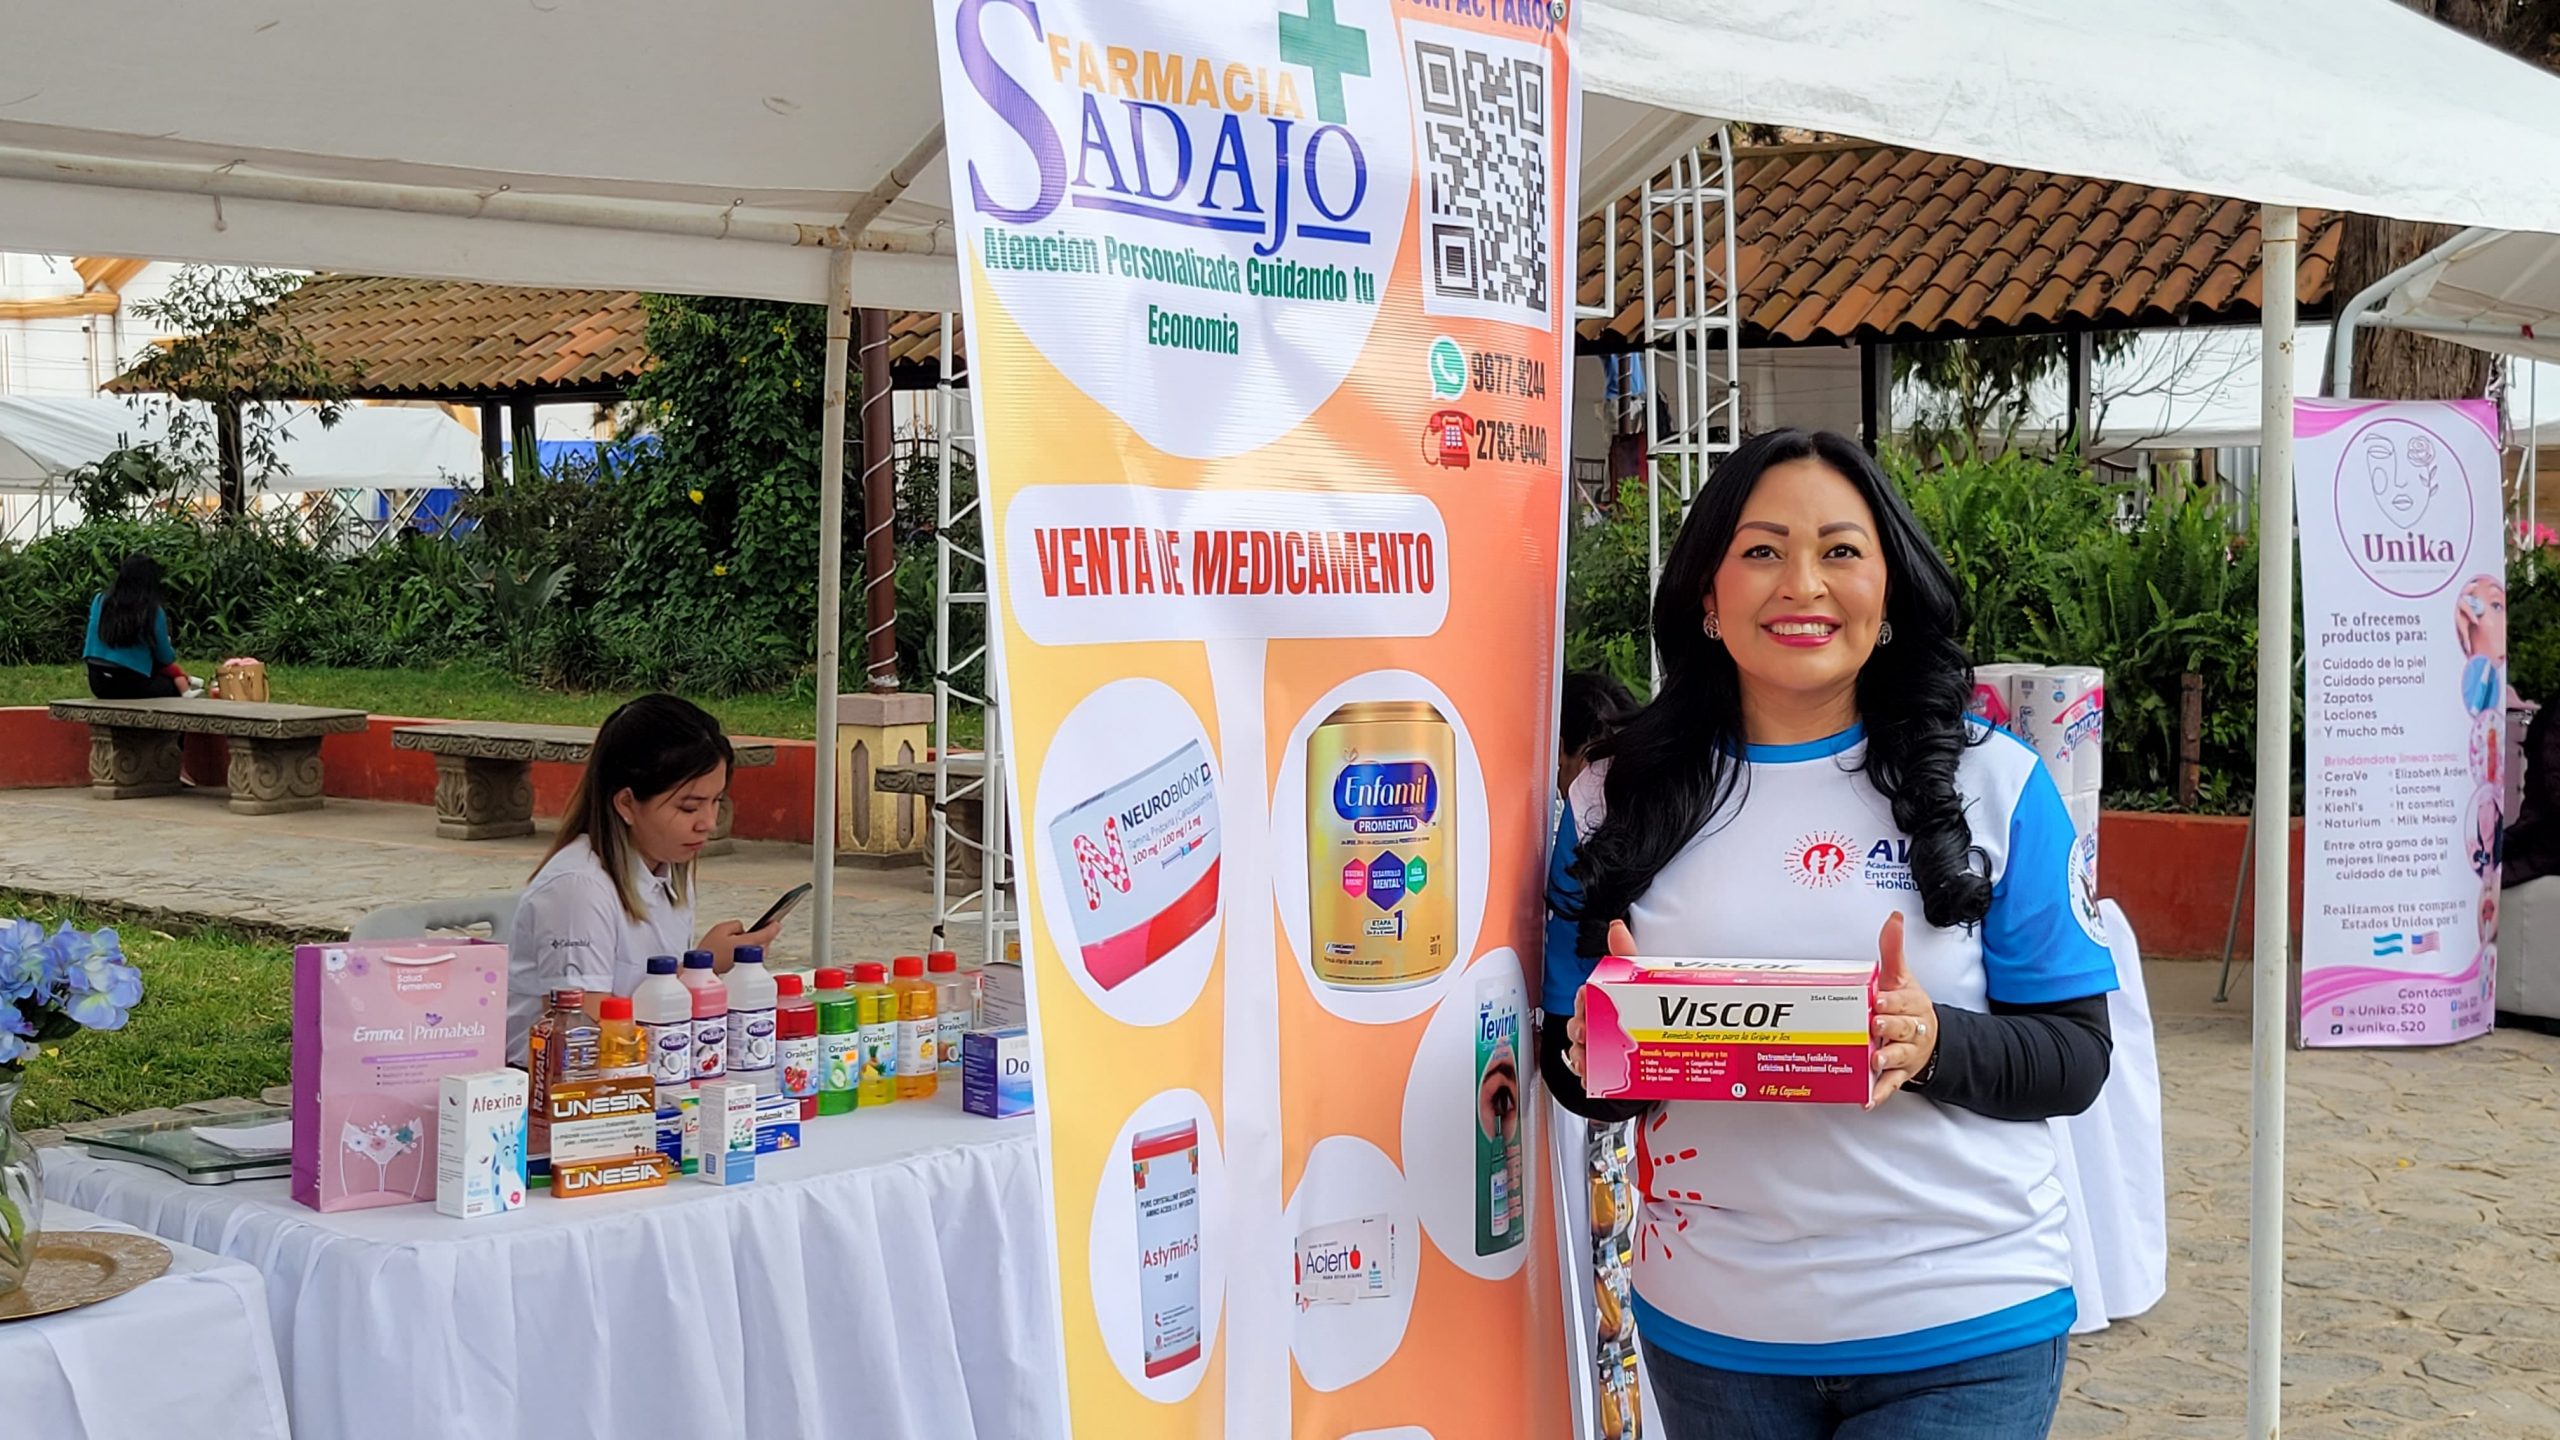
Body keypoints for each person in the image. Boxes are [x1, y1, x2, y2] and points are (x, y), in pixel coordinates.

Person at [1543, 428, 2118, 1440]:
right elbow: (1571, 1060)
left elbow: (2075, 1059)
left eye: (1840, 551)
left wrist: (1928, 1041)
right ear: (1708, 595)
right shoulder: (1611, 799)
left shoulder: (1994, 784)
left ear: (1887, 591)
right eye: (1762, 550)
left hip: (1962, 1323)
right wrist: (1616, 1048)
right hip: (1714, 1334)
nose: (1802, 585)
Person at [505, 694, 780, 1065]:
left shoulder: (669, 869)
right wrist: (700, 970)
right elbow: (581, 1035)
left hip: (647, 1071)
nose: (708, 823)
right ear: (626, 804)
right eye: (689, 807)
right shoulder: (578, 889)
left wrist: (708, 970)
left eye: (717, 801)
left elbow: (654, 996)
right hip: (559, 1086)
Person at [84, 554, 187, 699]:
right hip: (132, 682)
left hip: (98, 681)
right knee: (172, 686)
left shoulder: (100, 601)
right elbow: (165, 657)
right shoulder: (152, 611)